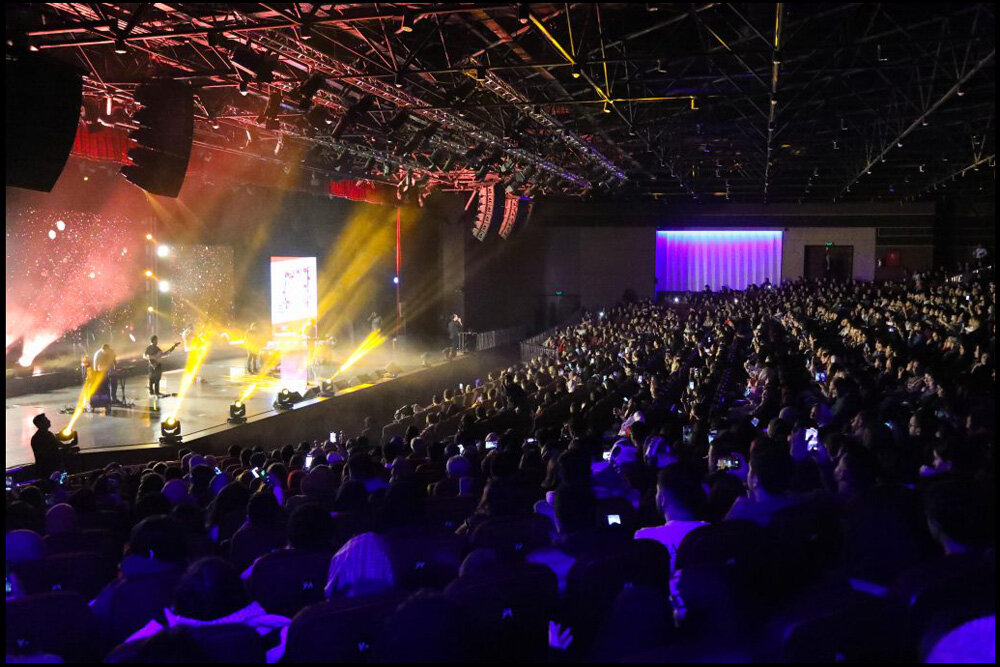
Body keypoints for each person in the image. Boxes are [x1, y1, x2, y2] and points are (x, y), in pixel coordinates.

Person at [29, 413, 77, 477]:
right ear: (40, 424)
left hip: (49, 468)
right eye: (46, 420)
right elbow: (49, 453)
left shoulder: (46, 435)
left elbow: (58, 445)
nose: (49, 421)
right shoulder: (42, 437)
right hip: (49, 469)